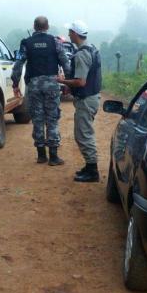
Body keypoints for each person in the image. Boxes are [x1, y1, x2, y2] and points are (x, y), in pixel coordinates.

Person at [11, 16, 71, 166]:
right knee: (52, 118)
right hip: (51, 84)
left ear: (34, 26)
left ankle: (41, 155)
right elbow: (65, 62)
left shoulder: (26, 43)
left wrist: (15, 83)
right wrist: (70, 81)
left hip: (34, 85)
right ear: (47, 26)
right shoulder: (55, 42)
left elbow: (18, 64)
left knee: (37, 118)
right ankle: (54, 156)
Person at [57, 20, 102, 182]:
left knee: (83, 135)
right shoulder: (92, 49)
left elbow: (81, 82)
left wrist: (62, 81)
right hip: (91, 97)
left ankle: (93, 171)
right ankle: (89, 167)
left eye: (70, 32)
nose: (69, 34)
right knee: (83, 133)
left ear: (75, 34)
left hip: (86, 99)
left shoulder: (82, 54)